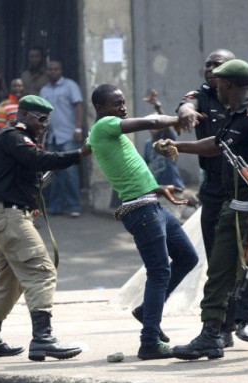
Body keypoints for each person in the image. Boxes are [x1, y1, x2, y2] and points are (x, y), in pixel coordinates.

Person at [163, 59, 248, 361]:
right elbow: (216, 145)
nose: (214, 88)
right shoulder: (234, 116)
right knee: (218, 271)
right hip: (231, 207)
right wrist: (177, 146)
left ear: (229, 85)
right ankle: (211, 334)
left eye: (218, 84)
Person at [87, 84, 199, 360]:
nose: (122, 108)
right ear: (100, 109)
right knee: (159, 271)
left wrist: (159, 188)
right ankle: (149, 341)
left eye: (123, 103)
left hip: (153, 203)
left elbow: (117, 164)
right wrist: (178, 118)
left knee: (187, 257)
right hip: (141, 211)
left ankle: (146, 312)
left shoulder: (101, 134)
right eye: (116, 104)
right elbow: (151, 122)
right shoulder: (105, 126)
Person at [0, 95, 87, 362]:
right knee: (42, 272)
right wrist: (79, 154)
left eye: (48, 120)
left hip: (4, 214)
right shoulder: (13, 136)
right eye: (42, 119)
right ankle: (43, 339)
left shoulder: (12, 140)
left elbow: (5, 173)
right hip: (8, 216)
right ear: (25, 115)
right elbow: (38, 159)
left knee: (12, 280)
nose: (45, 125)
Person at [176, 49, 248, 346]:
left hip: (247, 187)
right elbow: (188, 105)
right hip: (215, 187)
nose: (211, 69)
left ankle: (246, 319)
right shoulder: (202, 95)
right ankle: (221, 328)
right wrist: (185, 112)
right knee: (219, 258)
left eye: (218, 65)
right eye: (208, 64)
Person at [40, 60, 84, 217]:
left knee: (70, 172)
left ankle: (74, 206)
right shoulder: (44, 90)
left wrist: (78, 128)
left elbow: (79, 106)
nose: (53, 71)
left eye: (56, 69)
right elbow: (42, 114)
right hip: (52, 137)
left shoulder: (70, 86)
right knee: (53, 173)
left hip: (68, 135)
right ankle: (56, 206)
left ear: (61, 70)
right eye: (50, 69)